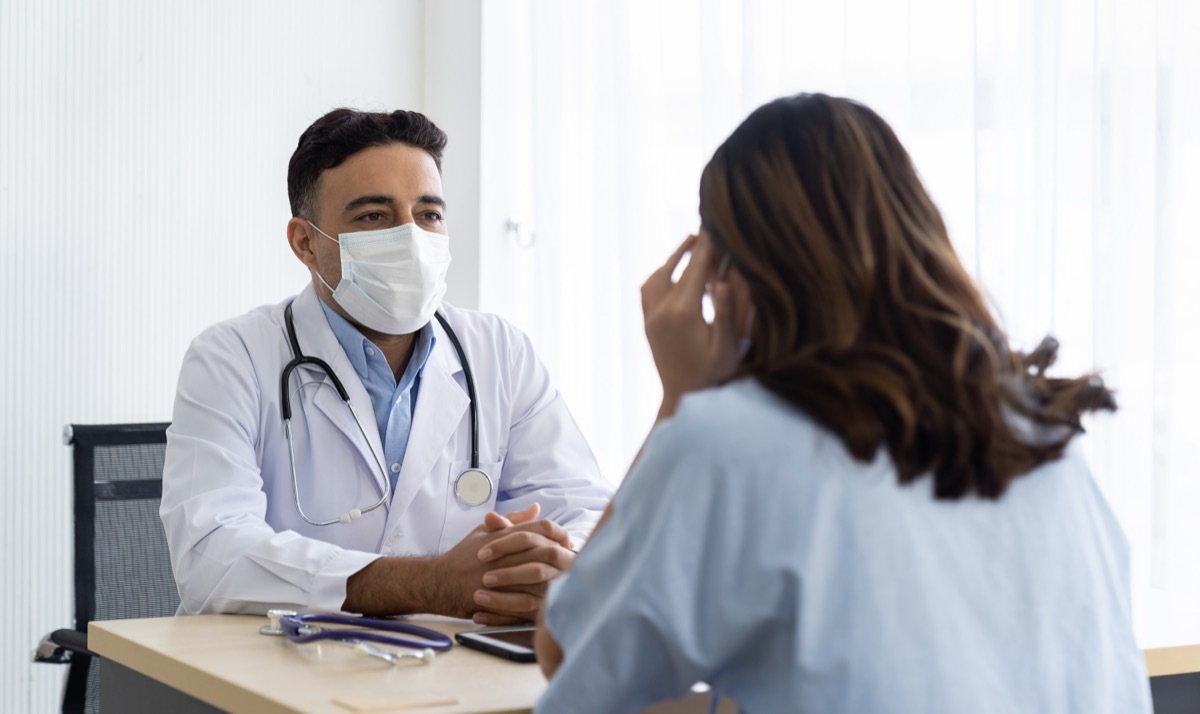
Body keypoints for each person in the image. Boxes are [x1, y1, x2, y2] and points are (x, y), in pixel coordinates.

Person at [534, 94, 1151, 713]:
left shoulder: (733, 444)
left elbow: (571, 654)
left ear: (720, 271)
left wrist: (678, 401)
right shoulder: (1040, 438)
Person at [160, 108, 612, 624]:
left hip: (452, 658)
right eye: (374, 217)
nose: (411, 239)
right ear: (305, 242)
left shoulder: (500, 352)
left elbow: (584, 510)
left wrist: (551, 567)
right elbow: (211, 555)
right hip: (273, 660)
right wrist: (430, 584)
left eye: (429, 215)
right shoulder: (231, 358)